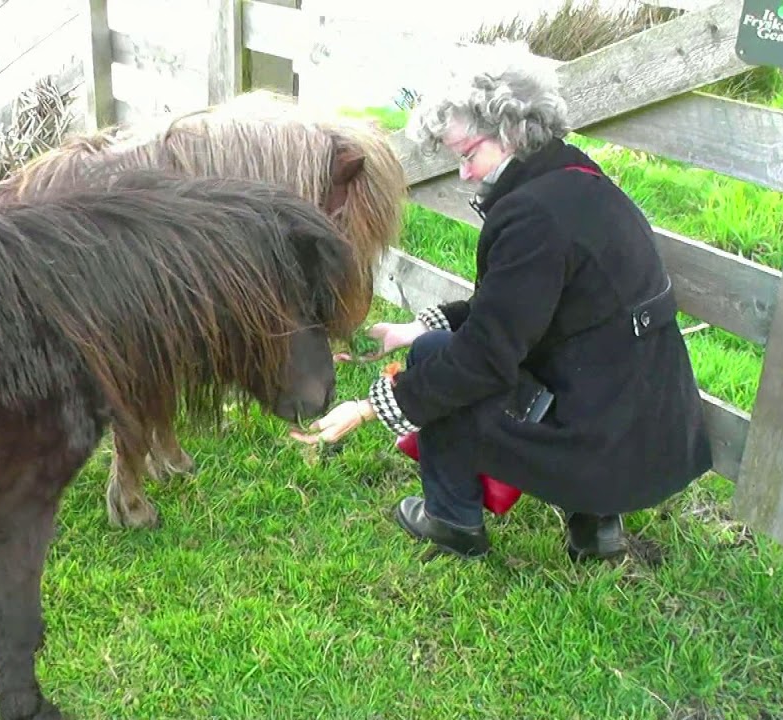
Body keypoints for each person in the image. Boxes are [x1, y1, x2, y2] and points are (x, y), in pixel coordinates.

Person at [290, 41, 713, 561]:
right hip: (647, 431)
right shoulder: (576, 178)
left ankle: (452, 521)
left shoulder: (532, 218)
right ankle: (596, 525)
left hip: (599, 443)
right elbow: (522, 306)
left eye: (468, 154)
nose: (464, 172)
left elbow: (484, 361)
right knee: (459, 348)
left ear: (510, 131)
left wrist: (373, 406)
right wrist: (415, 327)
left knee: (439, 363)